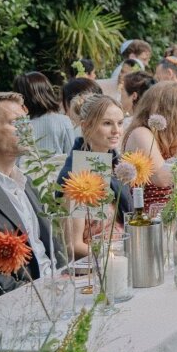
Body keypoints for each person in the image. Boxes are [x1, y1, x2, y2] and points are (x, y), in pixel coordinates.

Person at [0, 92, 56, 311]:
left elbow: (50, 249)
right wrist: (45, 296)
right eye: (16, 123)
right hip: (17, 308)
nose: (27, 129)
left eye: (26, 121)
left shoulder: (27, 181)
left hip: (55, 290)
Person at [57, 94, 132, 259]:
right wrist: (114, 256)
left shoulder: (114, 164)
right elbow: (73, 246)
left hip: (125, 254)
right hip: (97, 268)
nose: (116, 131)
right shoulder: (79, 175)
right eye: (107, 123)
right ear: (85, 127)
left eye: (120, 123)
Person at [122, 82, 177, 210]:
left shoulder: (164, 138)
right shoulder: (141, 133)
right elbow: (162, 178)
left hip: (169, 213)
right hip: (149, 217)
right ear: (167, 110)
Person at [13, 72, 75, 155]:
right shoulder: (63, 121)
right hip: (57, 167)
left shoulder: (15, 125)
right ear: (47, 92)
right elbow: (72, 155)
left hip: (22, 167)